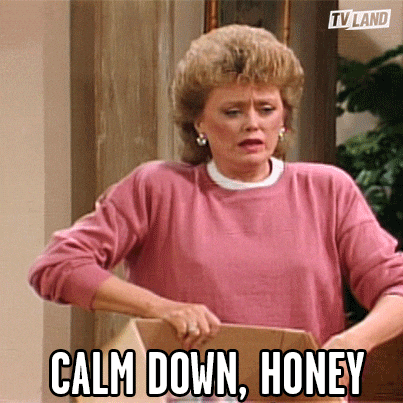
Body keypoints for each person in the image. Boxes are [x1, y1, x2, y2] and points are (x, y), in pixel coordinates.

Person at [29, 24, 403, 375]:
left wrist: (354, 342)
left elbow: (396, 287)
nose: (253, 123)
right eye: (233, 111)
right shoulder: (157, 188)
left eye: (266, 109)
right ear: (199, 123)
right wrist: (161, 308)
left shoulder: (327, 189)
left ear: (284, 119)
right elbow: (58, 265)